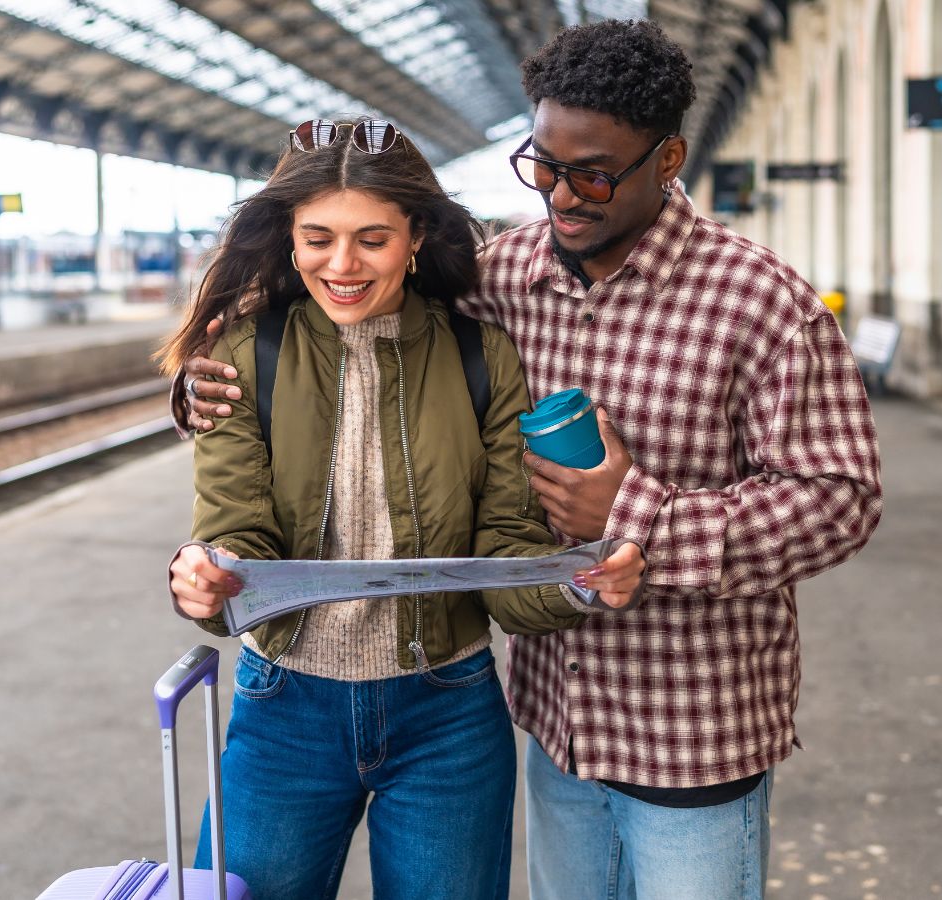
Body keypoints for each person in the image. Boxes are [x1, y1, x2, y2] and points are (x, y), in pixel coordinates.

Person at [177, 21, 883, 900]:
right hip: (558, 722)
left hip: (694, 726)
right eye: (541, 165)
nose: (561, 195)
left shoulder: (763, 302)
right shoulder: (499, 276)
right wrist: (200, 381)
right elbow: (347, 300)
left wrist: (640, 520)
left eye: (592, 173)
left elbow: (842, 500)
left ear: (669, 161)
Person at [159, 117, 647, 900]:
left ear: (416, 235)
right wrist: (208, 577)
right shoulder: (243, 355)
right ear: (287, 236)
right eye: (317, 237)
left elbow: (506, 547)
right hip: (284, 709)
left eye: (371, 239)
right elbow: (233, 530)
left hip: (447, 715)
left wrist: (577, 583)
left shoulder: (481, 356)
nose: (341, 264)